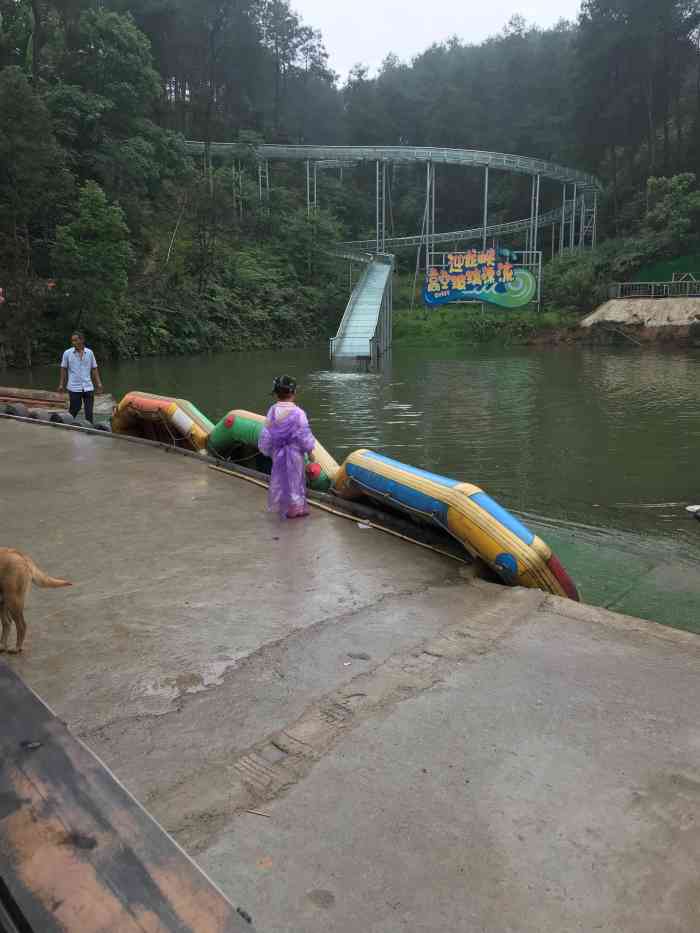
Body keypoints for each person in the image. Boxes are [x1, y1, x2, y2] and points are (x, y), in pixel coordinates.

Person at [258, 375, 316, 519]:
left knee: (280, 478)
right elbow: (304, 435)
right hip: (295, 453)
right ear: (294, 392)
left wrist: (268, 449)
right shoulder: (299, 413)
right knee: (296, 479)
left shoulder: (272, 410)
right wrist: (310, 452)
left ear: (276, 394)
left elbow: (266, 433)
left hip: (278, 451)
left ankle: (283, 506)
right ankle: (295, 509)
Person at [58, 331, 103, 423]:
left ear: (82, 340)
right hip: (74, 388)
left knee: (89, 413)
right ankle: (65, 424)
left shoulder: (89, 353)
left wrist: (99, 384)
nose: (74, 343)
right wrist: (61, 384)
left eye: (76, 340)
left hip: (88, 387)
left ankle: (89, 432)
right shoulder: (67, 353)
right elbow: (63, 369)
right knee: (75, 409)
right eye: (72, 341)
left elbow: (94, 369)